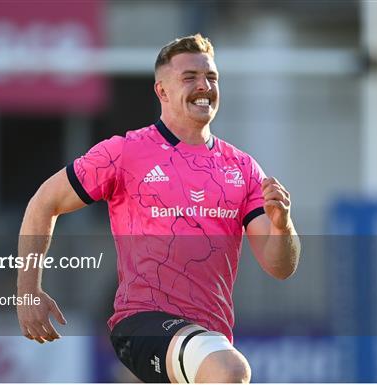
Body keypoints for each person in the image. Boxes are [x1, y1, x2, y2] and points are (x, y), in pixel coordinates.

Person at [17, 33, 300, 383]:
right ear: (162, 91)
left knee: (221, 365)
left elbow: (280, 266)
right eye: (190, 78)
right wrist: (29, 291)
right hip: (142, 325)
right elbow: (44, 202)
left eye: (211, 78)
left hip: (208, 336)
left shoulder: (242, 168)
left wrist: (283, 224)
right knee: (230, 369)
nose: (204, 86)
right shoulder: (125, 152)